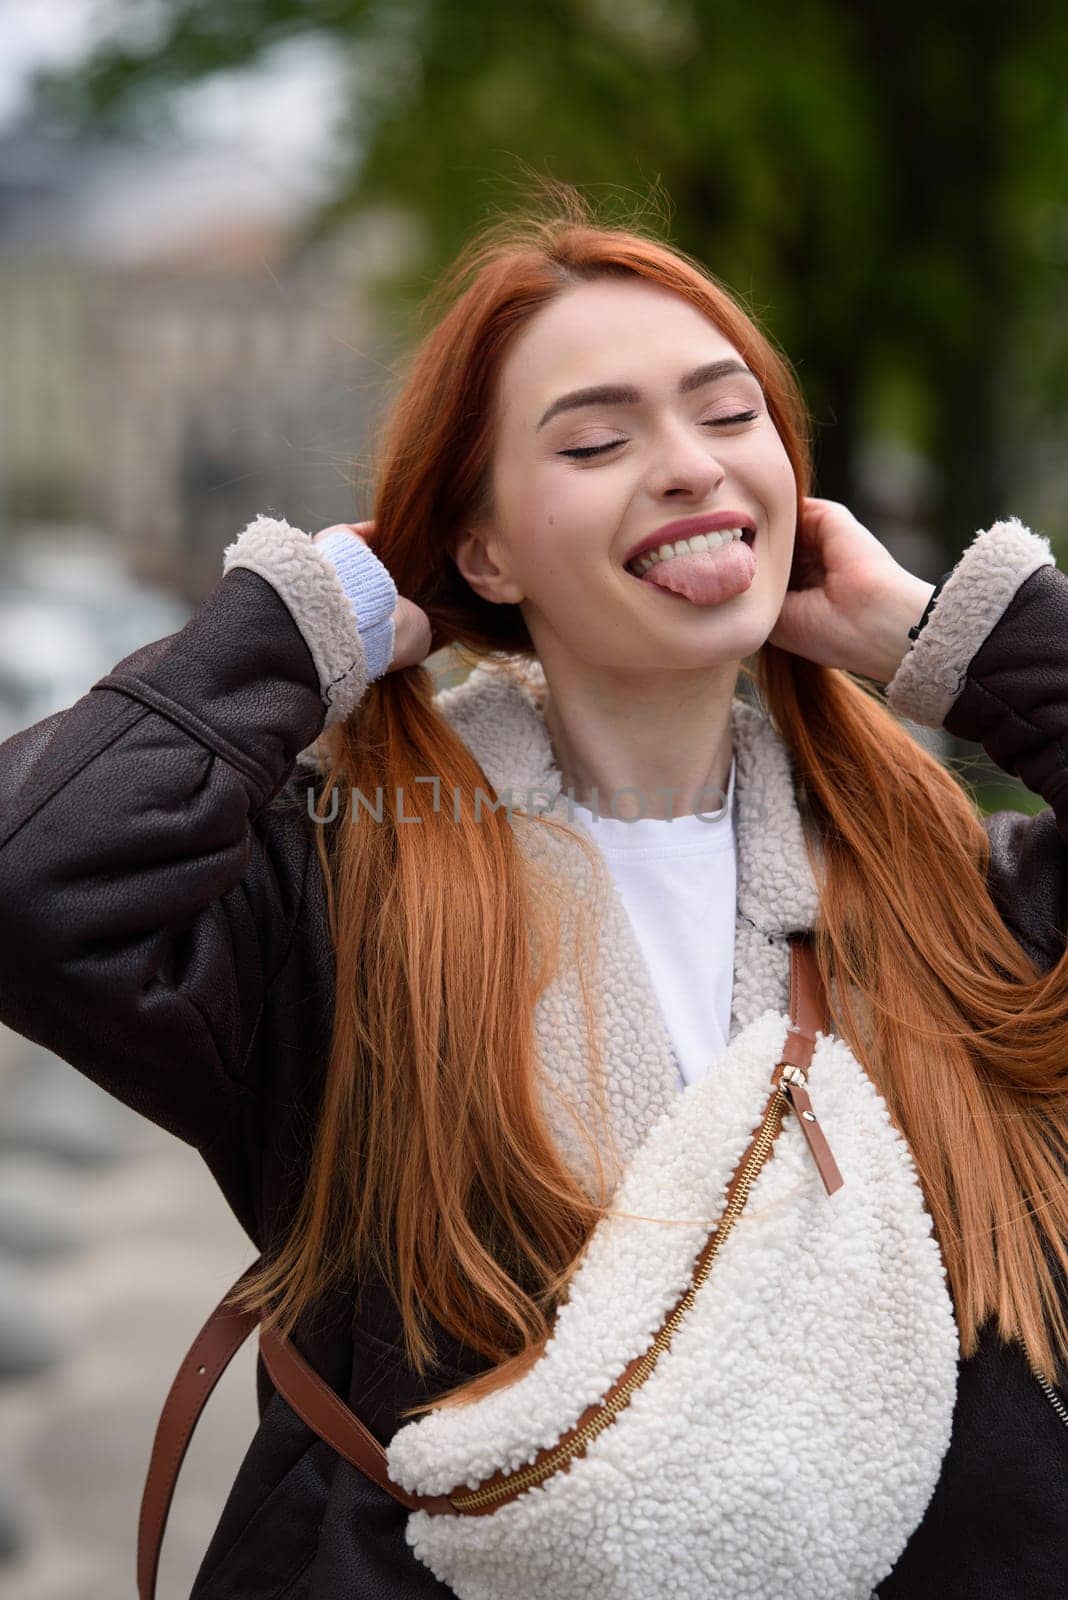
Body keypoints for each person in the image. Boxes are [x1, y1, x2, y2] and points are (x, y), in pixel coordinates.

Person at [1, 191, 1067, 1600]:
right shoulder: (344, 906)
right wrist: (321, 612)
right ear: (485, 552)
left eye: (727, 414)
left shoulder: (960, 900)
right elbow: (34, 877)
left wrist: (955, 637)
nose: (688, 466)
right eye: (597, 439)